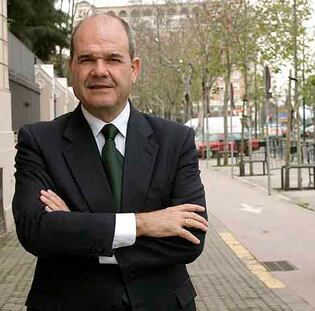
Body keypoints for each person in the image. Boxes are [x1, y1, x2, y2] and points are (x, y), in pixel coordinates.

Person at [12, 13, 208, 311]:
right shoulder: (38, 142)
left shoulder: (175, 140)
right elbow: (36, 231)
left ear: (134, 69)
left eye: (113, 59)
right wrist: (142, 224)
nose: (99, 70)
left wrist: (76, 229)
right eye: (87, 59)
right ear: (72, 67)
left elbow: (190, 237)